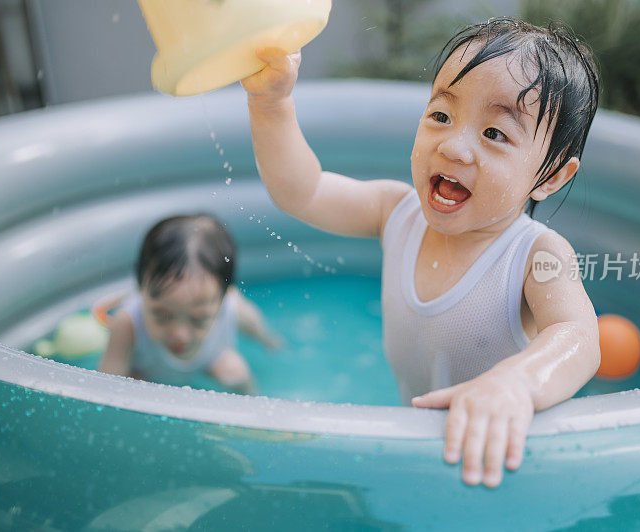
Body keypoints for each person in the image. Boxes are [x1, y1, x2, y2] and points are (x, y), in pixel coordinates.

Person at [241, 16, 602, 487]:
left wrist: (517, 383)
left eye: (495, 134)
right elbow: (303, 191)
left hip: (496, 460)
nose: (453, 147)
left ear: (551, 177)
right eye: (441, 115)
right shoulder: (396, 212)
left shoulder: (535, 256)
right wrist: (271, 104)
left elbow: (578, 335)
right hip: (416, 456)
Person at [99, 214, 281, 394]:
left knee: (235, 371)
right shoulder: (127, 323)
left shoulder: (233, 305)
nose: (180, 335)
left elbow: (257, 328)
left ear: (223, 298)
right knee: (131, 385)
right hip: (147, 372)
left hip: (208, 362)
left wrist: (268, 341)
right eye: (161, 316)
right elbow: (106, 385)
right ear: (140, 290)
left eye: (198, 319)